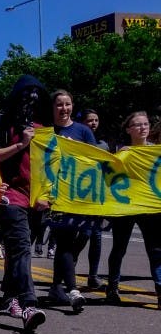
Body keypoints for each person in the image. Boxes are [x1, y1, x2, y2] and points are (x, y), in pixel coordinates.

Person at [0, 75, 50, 331]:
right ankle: (29, 304)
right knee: (20, 249)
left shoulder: (46, 126)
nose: (30, 100)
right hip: (11, 196)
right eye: (25, 95)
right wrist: (20, 144)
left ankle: (9, 296)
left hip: (38, 199)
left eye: (36, 95)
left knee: (19, 253)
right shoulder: (2, 123)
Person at [45, 90, 98, 312]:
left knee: (81, 239)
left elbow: (95, 160)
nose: (63, 108)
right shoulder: (45, 132)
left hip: (81, 196)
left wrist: (74, 151)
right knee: (65, 240)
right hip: (56, 197)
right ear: (53, 108)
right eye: (59, 104)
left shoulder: (83, 131)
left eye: (67, 104)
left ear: (72, 106)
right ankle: (73, 290)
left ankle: (57, 285)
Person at [105, 111, 161, 305]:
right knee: (119, 248)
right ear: (129, 129)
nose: (143, 127)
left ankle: (160, 289)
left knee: (156, 251)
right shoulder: (123, 152)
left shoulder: (156, 152)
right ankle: (112, 287)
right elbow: (109, 177)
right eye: (137, 125)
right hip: (125, 207)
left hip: (150, 208)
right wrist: (118, 157)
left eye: (145, 124)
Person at [77, 108, 109, 290]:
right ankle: (69, 264)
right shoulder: (75, 144)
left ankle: (93, 275)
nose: (94, 123)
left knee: (96, 237)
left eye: (96, 120)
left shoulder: (103, 145)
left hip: (97, 197)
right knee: (84, 235)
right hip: (79, 197)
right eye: (90, 120)